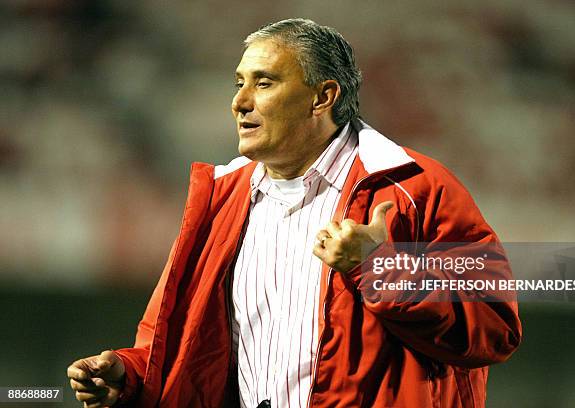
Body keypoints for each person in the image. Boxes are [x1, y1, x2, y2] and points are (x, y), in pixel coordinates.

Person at [67, 18, 521, 407]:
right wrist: (128, 378)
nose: (240, 102)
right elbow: (182, 345)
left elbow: (494, 328)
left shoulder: (415, 188)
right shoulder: (221, 198)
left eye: (263, 83)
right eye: (238, 83)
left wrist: (379, 267)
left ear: (322, 97)